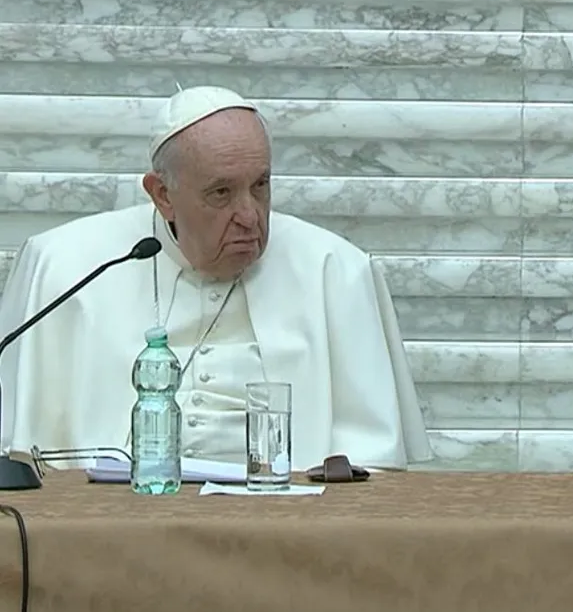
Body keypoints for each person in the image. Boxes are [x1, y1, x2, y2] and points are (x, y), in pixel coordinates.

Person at [0, 86, 433, 471]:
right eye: (221, 193)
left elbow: (372, 467)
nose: (249, 216)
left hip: (287, 524)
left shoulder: (334, 269)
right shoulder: (65, 265)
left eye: (260, 185)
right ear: (163, 195)